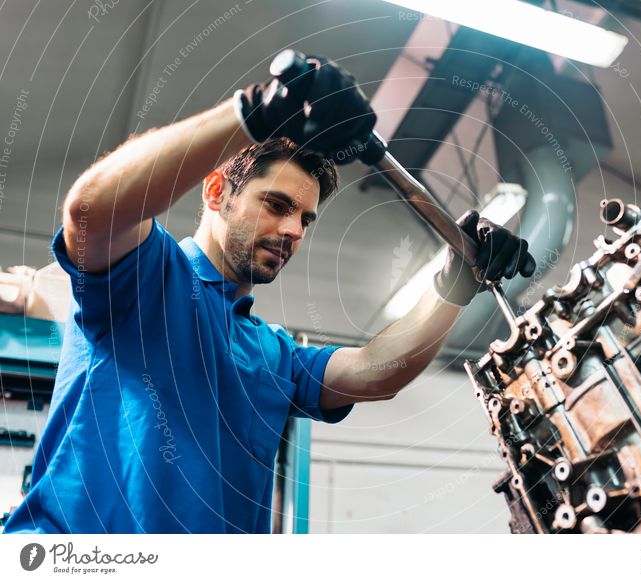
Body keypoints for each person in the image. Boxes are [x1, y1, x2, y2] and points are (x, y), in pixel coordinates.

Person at [3, 56, 535, 533]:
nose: (294, 231)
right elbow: (91, 211)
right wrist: (253, 112)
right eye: (277, 204)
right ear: (217, 192)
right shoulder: (147, 276)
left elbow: (376, 371)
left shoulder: (271, 352)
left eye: (306, 218)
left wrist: (454, 284)